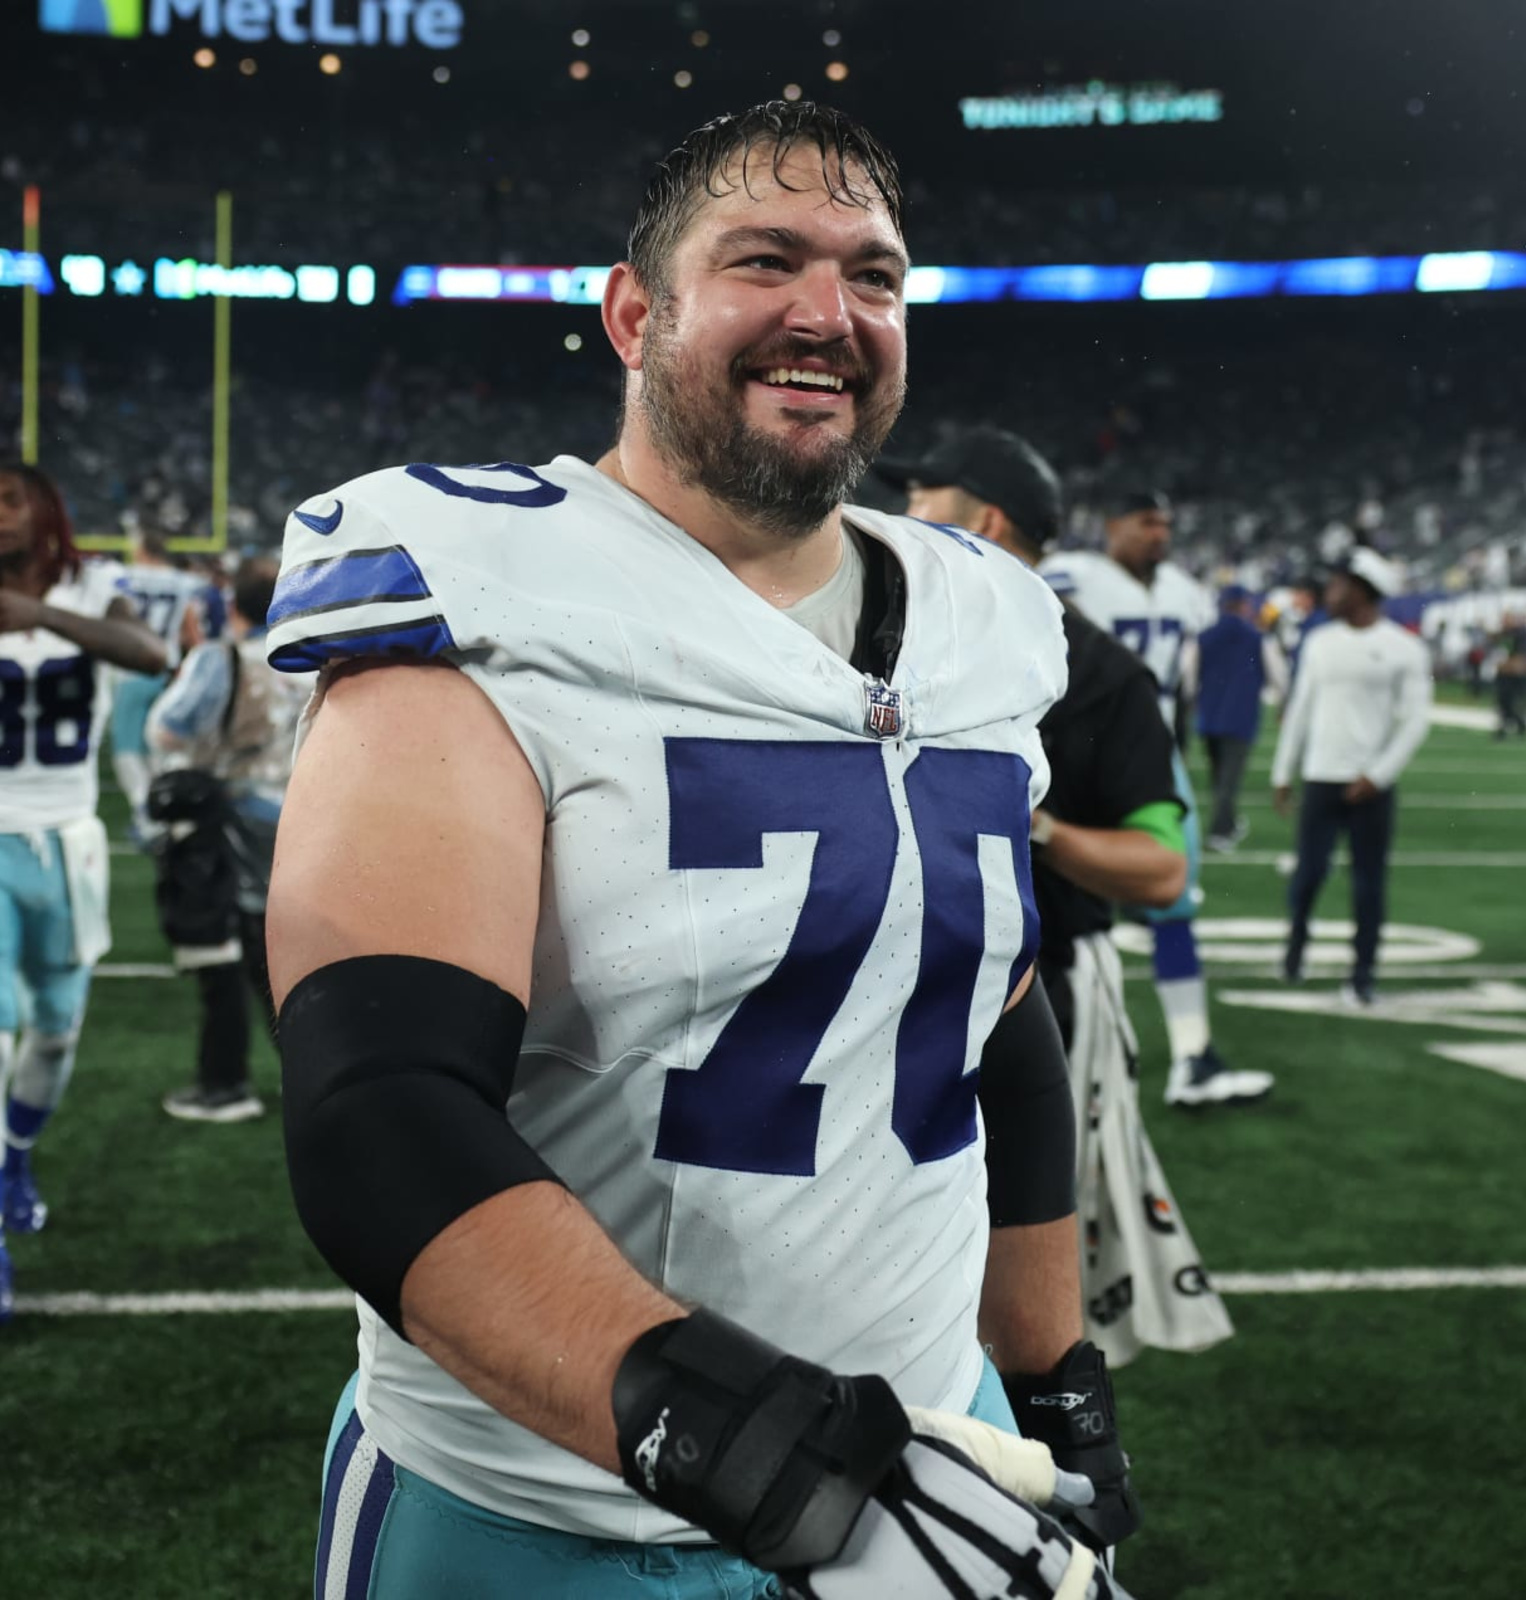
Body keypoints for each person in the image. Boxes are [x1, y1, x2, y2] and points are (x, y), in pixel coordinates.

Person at [265, 103, 1132, 1600]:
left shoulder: (990, 619)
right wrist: (738, 1435)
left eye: (873, 275)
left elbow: (996, 1023)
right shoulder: (481, 590)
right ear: (633, 311)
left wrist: (1050, 1374)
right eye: (766, 260)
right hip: (551, 1507)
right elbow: (382, 1111)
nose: (827, 313)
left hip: (931, 1446)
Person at [887, 426, 1235, 1366]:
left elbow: (1162, 868)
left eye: (925, 501)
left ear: (985, 519)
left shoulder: (1097, 672)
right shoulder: (881, 628)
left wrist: (1026, 818)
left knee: (1010, 1254)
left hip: (1036, 996)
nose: (903, 518)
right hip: (889, 983)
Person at [1039, 494, 1273, 1109]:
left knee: (1173, 902)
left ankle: (1192, 1056)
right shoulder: (1074, 576)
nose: (1160, 534)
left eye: (1167, 523)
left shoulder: (1182, 589)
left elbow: (1185, 675)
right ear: (1113, 524)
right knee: (1059, 904)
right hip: (1075, 753)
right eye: (1147, 522)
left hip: (1150, 757)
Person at [0, 463, 166, 1324]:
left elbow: (151, 654)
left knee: (56, 1035)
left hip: (67, 837)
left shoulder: (95, 585)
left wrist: (36, 617)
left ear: (43, 509)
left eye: (8, 497)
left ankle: (14, 1157)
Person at [146, 558, 303, 1122]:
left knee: (221, 951)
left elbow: (166, 729)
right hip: (299, 814)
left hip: (229, 816)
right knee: (282, 951)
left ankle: (224, 1084)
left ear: (233, 602)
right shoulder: (310, 657)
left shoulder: (225, 658)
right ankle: (306, 1073)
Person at [1271, 546, 1433, 1006]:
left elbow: (1416, 720)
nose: (1331, 592)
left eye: (1340, 584)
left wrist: (1379, 775)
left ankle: (1363, 973)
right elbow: (1300, 709)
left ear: (1363, 590)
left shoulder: (1404, 647)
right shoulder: (1321, 642)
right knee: (1308, 876)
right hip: (1321, 776)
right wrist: (1284, 770)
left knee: (1368, 886)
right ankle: (1295, 950)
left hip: (1369, 786)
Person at [107, 527, 206, 841]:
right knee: (156, 747)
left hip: (131, 668)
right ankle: (168, 810)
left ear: (144, 548)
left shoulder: (125, 577)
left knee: (126, 750)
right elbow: (192, 634)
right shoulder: (184, 582)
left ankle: (147, 815)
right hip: (166, 669)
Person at [1195, 584, 1286, 852]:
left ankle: (1230, 823)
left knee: (1218, 774)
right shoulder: (1258, 638)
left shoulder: (1204, 636)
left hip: (1209, 715)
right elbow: (1278, 676)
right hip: (1240, 716)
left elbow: (1189, 674)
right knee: (1229, 779)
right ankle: (1220, 832)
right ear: (1243, 605)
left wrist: (1192, 702)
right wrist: (1283, 703)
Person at [1491, 609, 1526, 739]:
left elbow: (1521, 659)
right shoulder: (1503, 634)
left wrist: (1506, 666)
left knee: (1513, 702)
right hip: (1505, 674)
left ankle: (1517, 725)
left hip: (1515, 675)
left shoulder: (1520, 634)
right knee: (1503, 702)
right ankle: (1515, 725)